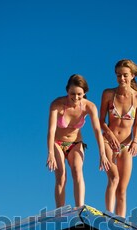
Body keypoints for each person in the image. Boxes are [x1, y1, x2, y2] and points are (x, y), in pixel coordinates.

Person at [46, 74, 110, 208]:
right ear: (67, 91)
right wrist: (50, 153)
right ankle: (60, 211)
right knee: (61, 175)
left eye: (79, 94)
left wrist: (102, 154)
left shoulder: (89, 107)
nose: (75, 97)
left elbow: (97, 131)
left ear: (85, 92)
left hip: (76, 143)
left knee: (77, 170)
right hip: (57, 143)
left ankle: (79, 209)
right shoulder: (57, 105)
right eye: (72, 94)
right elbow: (51, 131)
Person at [100, 59, 137, 218]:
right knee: (114, 178)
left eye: (125, 75)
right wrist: (109, 133)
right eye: (118, 75)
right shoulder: (108, 94)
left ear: (132, 76)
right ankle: (108, 215)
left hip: (126, 146)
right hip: (108, 142)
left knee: (122, 189)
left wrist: (136, 141)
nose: (122, 79)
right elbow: (100, 121)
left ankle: (120, 223)